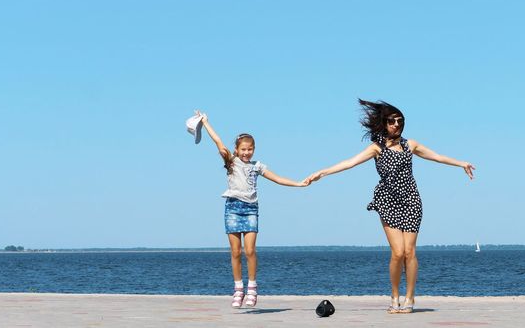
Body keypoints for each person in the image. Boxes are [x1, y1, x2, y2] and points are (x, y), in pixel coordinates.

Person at [305, 99, 475, 314]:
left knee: (409, 252)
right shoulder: (376, 148)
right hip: (387, 200)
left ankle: (410, 298)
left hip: (411, 200)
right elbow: (349, 163)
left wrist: (462, 163)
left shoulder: (409, 145)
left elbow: (437, 157)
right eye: (392, 121)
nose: (396, 124)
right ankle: (394, 296)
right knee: (397, 252)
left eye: (400, 121)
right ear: (384, 123)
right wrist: (322, 172)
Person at [198, 111, 309, 308]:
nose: (247, 152)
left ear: (254, 149)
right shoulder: (231, 161)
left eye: (250, 149)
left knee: (249, 250)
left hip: (250, 209)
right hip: (232, 207)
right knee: (235, 251)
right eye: (243, 149)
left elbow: (277, 178)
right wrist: (206, 122)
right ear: (237, 149)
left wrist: (298, 184)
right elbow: (218, 142)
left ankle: (252, 288)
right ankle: (238, 288)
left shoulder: (257, 166)